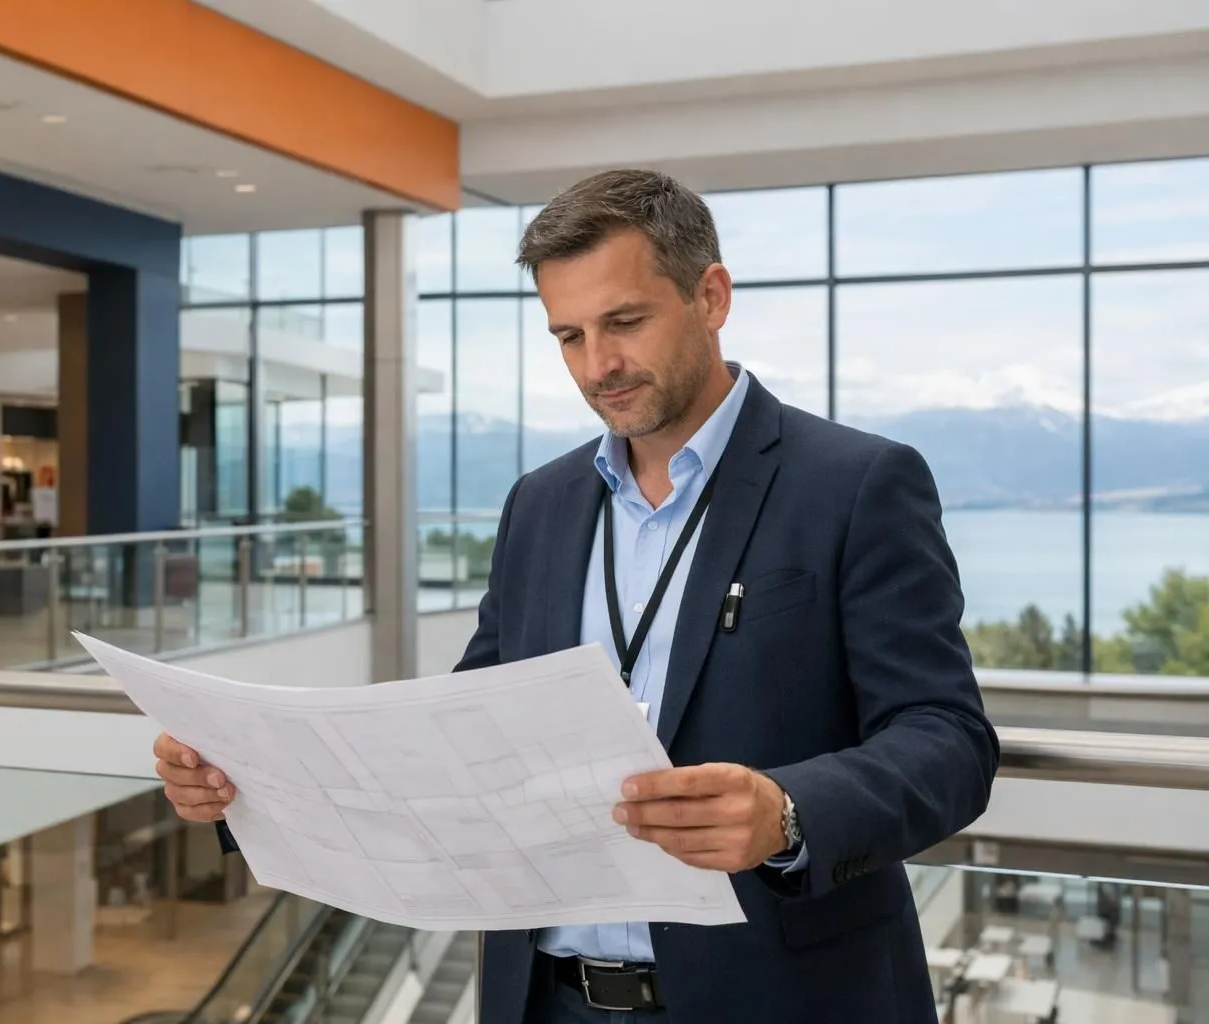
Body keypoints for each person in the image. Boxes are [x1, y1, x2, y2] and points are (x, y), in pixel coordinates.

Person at [153, 169, 999, 1023]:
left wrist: (786, 814)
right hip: (544, 1002)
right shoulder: (540, 506)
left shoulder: (856, 485)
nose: (599, 366)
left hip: (782, 998)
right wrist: (250, 789)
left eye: (625, 322)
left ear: (711, 296)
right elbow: (453, 745)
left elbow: (948, 740)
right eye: (569, 335)